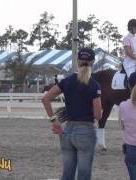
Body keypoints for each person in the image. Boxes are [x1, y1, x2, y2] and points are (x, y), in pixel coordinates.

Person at [42, 47, 102, 180]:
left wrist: (54, 120)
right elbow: (98, 115)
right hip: (86, 130)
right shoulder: (94, 85)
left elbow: (45, 99)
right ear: (93, 62)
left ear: (77, 60)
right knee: (84, 174)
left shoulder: (67, 81)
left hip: (67, 130)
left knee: (67, 173)